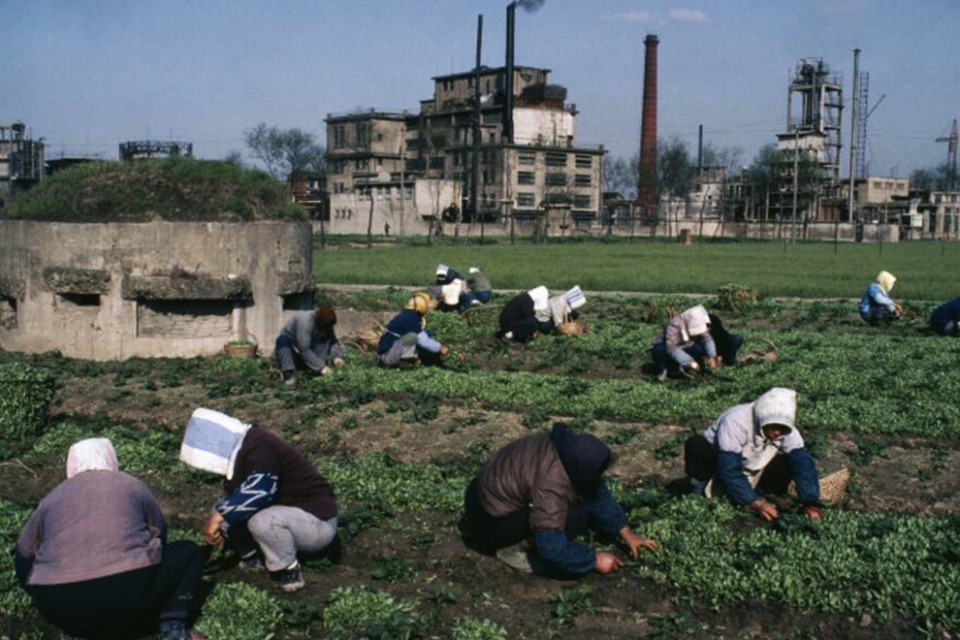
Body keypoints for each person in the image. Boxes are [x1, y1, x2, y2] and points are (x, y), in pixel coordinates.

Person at [16, 438, 205, 640]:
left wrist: (43, 592)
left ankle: (76, 630)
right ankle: (172, 628)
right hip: (125, 592)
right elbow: (159, 533)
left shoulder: (51, 498)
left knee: (48, 577)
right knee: (189, 552)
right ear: (111, 460)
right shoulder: (131, 485)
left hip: (58, 605)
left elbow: (24, 553)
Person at [460, 423, 657, 577]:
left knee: (581, 500)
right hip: (488, 522)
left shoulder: (563, 447)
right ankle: (510, 550)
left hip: (481, 496)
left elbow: (596, 490)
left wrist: (625, 532)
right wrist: (593, 560)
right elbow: (551, 547)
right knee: (575, 519)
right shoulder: (551, 483)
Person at [179, 408, 339, 593]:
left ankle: (288, 568)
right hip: (287, 515)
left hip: (316, 522)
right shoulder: (244, 450)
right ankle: (252, 556)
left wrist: (217, 518)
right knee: (222, 509)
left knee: (258, 520)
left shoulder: (260, 447)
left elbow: (260, 491)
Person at [683, 387, 822, 522]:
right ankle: (697, 494)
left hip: (752, 467)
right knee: (697, 445)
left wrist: (810, 503)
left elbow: (803, 465)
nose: (777, 433)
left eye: (782, 429)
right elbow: (728, 469)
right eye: (773, 427)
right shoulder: (736, 421)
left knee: (790, 461)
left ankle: (763, 493)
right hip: (719, 465)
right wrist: (754, 502)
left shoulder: (788, 431)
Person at [377, 292, 450, 367]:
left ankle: (411, 359)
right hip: (388, 357)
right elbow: (423, 341)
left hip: (390, 352)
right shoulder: (409, 318)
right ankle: (406, 361)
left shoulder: (407, 314)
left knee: (425, 333)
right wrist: (440, 347)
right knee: (414, 336)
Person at [274, 307, 345, 386]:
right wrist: (321, 367)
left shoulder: (326, 324)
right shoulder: (305, 321)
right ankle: (289, 373)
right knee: (283, 340)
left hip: (309, 347)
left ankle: (312, 369)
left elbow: (333, 341)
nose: (328, 329)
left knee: (325, 339)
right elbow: (304, 349)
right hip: (292, 345)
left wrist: (337, 357)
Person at [651, 304, 721, 381]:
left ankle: (695, 369)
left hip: (687, 345)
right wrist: (689, 362)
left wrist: (711, 356)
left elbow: (707, 340)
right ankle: (663, 370)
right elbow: (671, 348)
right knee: (659, 351)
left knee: (699, 350)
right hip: (668, 346)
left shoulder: (699, 322)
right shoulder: (675, 324)